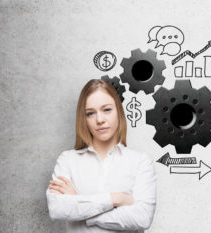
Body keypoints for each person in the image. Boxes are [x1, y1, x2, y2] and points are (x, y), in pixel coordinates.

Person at [46, 79, 156, 233]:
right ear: (83, 119)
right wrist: (116, 199)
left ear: (118, 111)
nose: (99, 120)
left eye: (107, 109)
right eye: (90, 113)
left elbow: (142, 218)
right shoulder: (67, 160)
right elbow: (58, 209)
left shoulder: (139, 161)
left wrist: (81, 205)